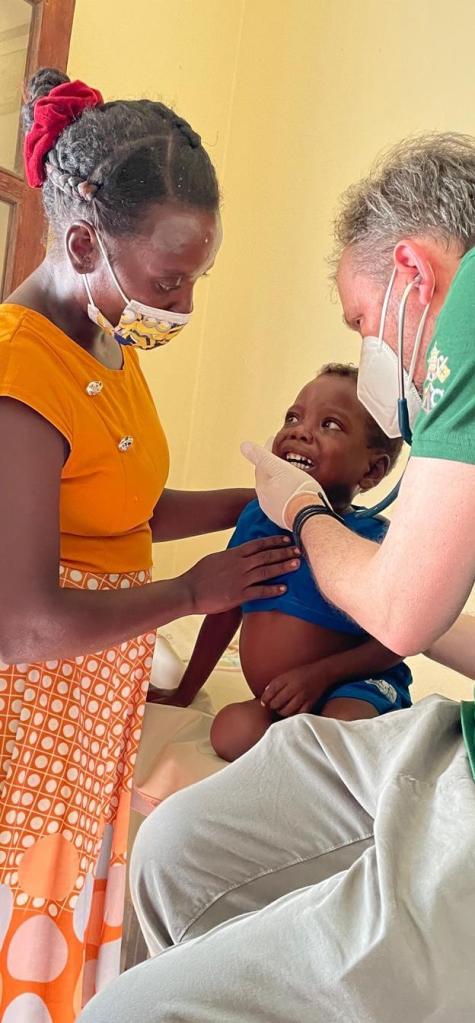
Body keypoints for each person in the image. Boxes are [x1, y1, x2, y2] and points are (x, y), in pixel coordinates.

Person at [79, 135, 475, 1023]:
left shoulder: (469, 317)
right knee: (174, 844)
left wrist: (303, 513)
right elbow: (413, 606)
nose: (372, 355)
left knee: (128, 1011)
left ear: (412, 275)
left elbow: (397, 615)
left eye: (361, 323)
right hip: (454, 737)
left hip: (392, 720)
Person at [0, 69, 301, 1023]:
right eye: (170, 280)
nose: (184, 304)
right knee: (25, 913)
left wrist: (257, 503)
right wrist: (191, 594)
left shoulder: (103, 340)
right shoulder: (18, 370)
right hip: (30, 717)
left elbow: (123, 507)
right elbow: (22, 624)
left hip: (91, 707)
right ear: (84, 243)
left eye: (195, 279)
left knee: (68, 909)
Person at [157, 363, 412, 761]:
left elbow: (398, 640)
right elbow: (224, 610)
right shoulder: (256, 520)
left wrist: (321, 675)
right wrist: (186, 691)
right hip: (278, 700)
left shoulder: (373, 539)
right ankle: (293, 745)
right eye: (293, 417)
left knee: (341, 729)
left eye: (330, 425)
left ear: (372, 469)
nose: (299, 431)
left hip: (354, 686)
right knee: (229, 734)